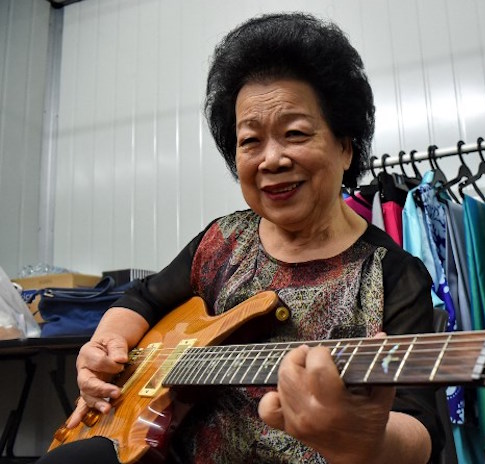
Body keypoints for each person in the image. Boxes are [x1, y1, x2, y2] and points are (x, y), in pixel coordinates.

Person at [38, 12, 443, 464]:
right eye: (251, 141)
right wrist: (102, 346)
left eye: (295, 134)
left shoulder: (394, 275)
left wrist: (364, 440)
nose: (271, 159)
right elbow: (143, 299)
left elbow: (420, 430)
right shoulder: (223, 238)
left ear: (345, 146)